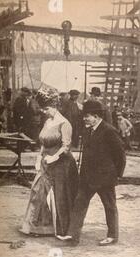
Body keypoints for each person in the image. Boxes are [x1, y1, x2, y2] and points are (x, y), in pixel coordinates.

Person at [58, 100, 126, 246]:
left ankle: (112, 236)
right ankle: (72, 235)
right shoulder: (88, 130)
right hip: (88, 177)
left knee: (109, 206)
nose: (84, 119)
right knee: (79, 204)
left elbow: (120, 155)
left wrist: (117, 175)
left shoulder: (109, 130)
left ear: (96, 116)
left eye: (87, 116)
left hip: (104, 178)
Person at [19, 89, 78, 237]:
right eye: (43, 108)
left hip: (61, 163)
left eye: (47, 108)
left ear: (56, 106)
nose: (45, 111)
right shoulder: (47, 122)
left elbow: (66, 146)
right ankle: (38, 226)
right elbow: (43, 142)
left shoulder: (65, 124)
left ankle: (61, 228)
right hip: (46, 162)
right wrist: (39, 157)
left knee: (59, 195)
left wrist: (54, 157)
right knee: (38, 191)